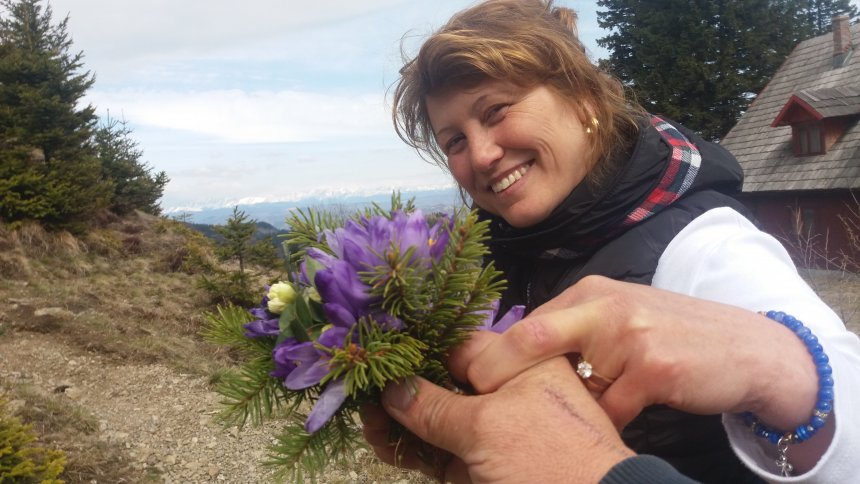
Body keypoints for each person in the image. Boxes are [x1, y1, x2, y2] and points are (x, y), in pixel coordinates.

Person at [363, 0, 860, 482]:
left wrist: (774, 366)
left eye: (496, 111)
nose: (481, 154)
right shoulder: (492, 256)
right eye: (455, 140)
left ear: (582, 100)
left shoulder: (702, 246)